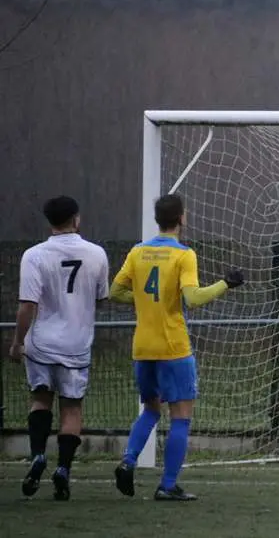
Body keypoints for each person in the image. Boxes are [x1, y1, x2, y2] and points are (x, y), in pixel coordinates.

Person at [108, 194, 245, 501]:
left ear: (158, 219)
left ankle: (128, 461)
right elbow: (193, 299)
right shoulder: (184, 255)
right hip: (173, 347)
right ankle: (167, 485)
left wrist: (143, 301)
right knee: (181, 416)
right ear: (182, 218)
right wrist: (226, 283)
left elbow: (115, 291)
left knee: (151, 410)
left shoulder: (137, 252)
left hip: (143, 347)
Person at [8, 196, 109, 501]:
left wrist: (17, 341)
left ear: (48, 221)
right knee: (72, 408)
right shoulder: (97, 254)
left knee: (40, 401)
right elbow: (101, 298)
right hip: (76, 345)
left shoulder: (34, 255)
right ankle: (63, 469)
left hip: (41, 343)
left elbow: (28, 304)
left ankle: (38, 455)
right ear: (76, 219)